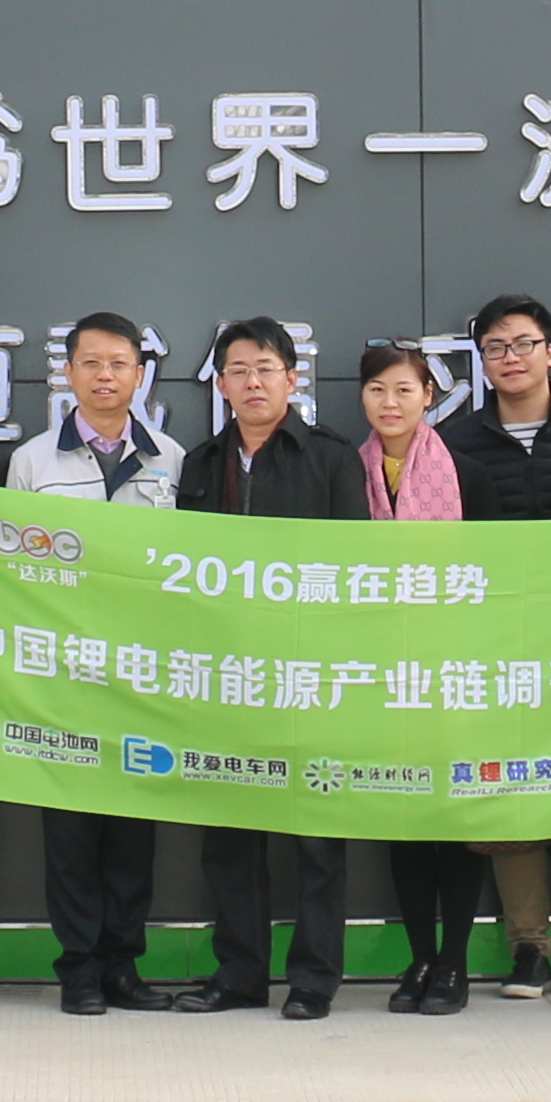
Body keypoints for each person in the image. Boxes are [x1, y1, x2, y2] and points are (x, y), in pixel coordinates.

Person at [178, 317, 365, 1019]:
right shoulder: (201, 464)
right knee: (229, 837)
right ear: (221, 384)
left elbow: (355, 572)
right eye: (238, 370)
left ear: (291, 378)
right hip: (225, 676)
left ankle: (314, 980)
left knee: (318, 838)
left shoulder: (331, 458)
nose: (252, 382)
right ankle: (238, 975)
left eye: (265, 369)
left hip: (311, 674)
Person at [11, 315, 196, 1015]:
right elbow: (10, 569)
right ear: (68, 373)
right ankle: (79, 971)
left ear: (140, 375)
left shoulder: (170, 459)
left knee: (130, 831)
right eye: (90, 362)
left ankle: (122, 966)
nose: (105, 375)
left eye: (119, 363)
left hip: (142, 675)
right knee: (69, 833)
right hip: (63, 674)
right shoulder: (32, 462)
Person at [436, 294, 551, 995]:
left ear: (550, 353)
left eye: (523, 343)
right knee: (507, 790)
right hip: (491, 643)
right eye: (495, 348)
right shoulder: (455, 442)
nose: (511, 358)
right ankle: (530, 946)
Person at [345, 339, 491, 1011]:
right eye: (377, 389)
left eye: (404, 389)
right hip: (378, 670)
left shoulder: (465, 470)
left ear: (429, 395)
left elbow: (494, 573)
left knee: (452, 818)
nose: (391, 402)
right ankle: (420, 958)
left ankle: (455, 963)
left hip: (454, 666)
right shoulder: (349, 473)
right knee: (401, 817)